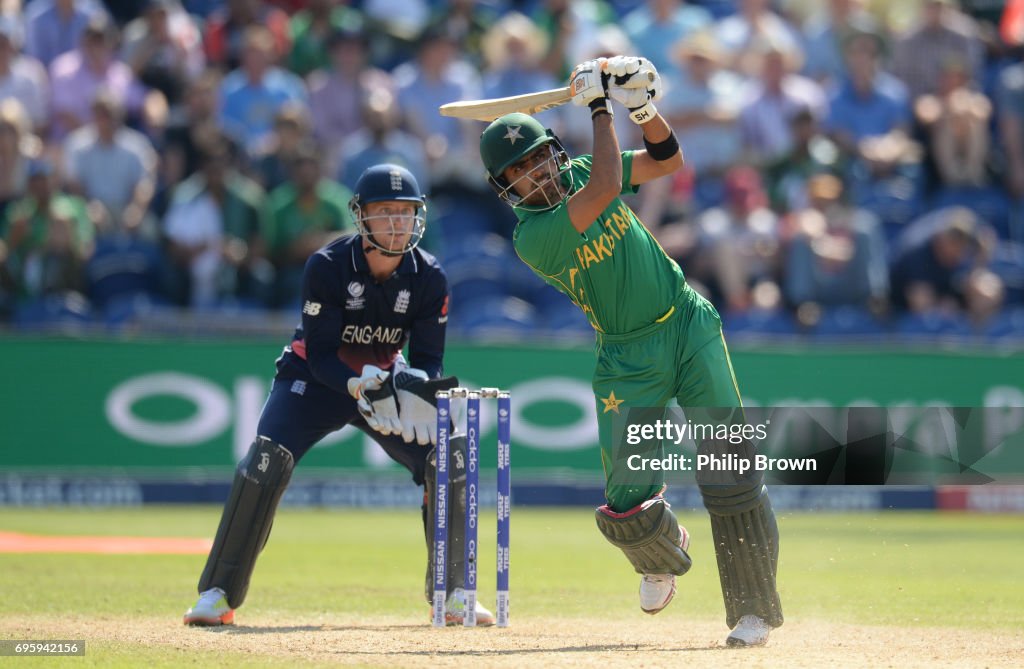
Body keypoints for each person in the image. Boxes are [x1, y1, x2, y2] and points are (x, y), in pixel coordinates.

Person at [477, 56, 783, 646]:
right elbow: (609, 186)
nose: (537, 172)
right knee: (625, 499)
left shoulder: (586, 169)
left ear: (555, 152)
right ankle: (658, 555)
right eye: (521, 170)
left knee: (727, 462)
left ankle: (752, 612)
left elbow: (669, 161)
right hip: (627, 357)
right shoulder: (533, 237)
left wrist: (642, 109)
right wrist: (598, 105)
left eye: (540, 156)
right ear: (504, 188)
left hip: (687, 323)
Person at [182, 163, 493, 627]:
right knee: (265, 460)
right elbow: (324, 354)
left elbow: (429, 360)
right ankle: (218, 594)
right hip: (314, 379)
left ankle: (452, 595)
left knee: (447, 454)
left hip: (384, 385)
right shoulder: (327, 266)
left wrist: (411, 389)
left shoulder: (430, 277)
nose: (396, 222)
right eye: (384, 211)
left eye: (405, 212)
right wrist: (355, 384)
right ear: (361, 217)